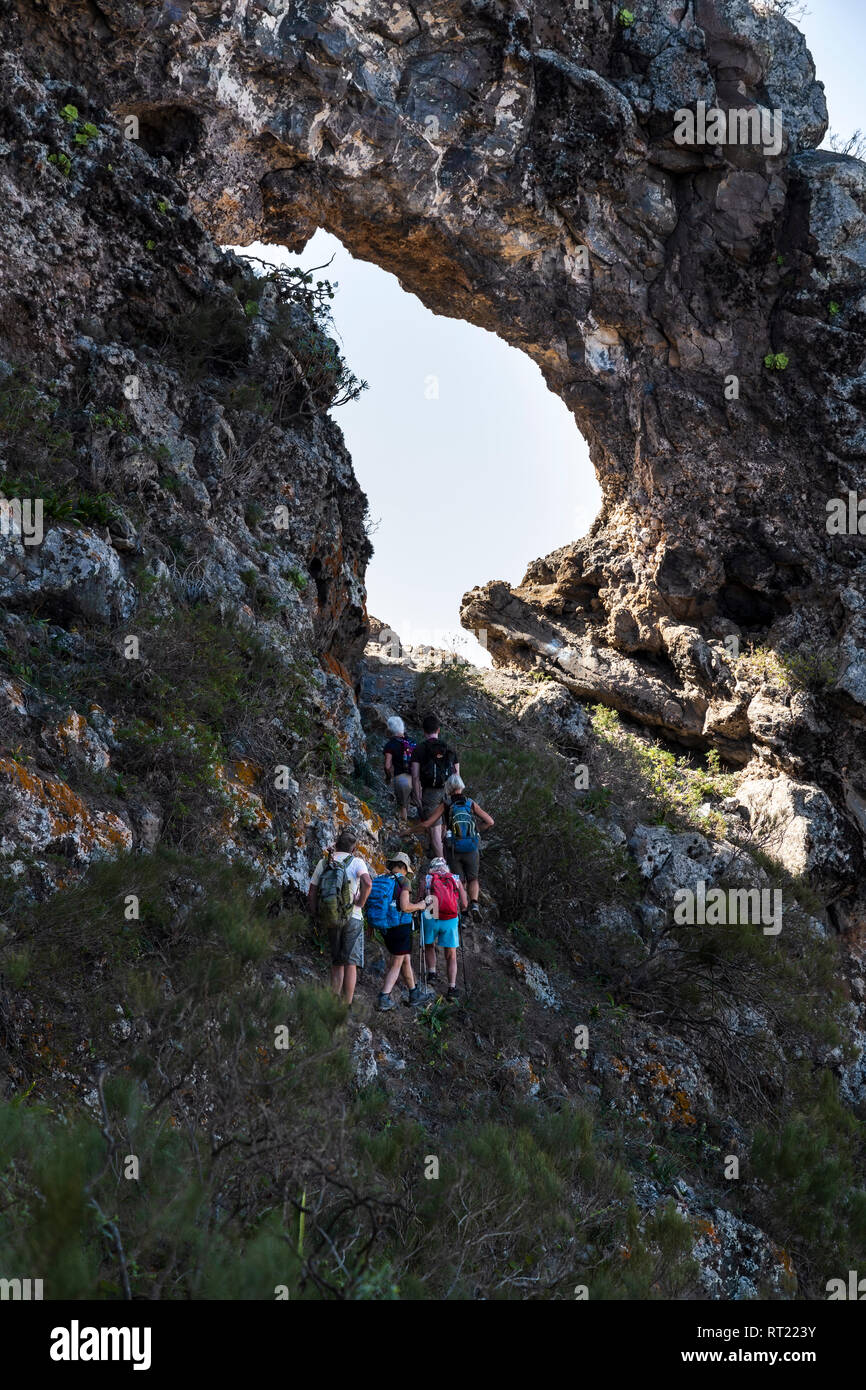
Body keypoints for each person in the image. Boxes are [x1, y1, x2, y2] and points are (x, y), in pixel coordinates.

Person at [307, 829, 371, 1007]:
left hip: (332, 915)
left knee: (337, 961)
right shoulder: (357, 862)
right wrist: (361, 902)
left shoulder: (325, 861)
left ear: (336, 843)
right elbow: (368, 882)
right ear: (354, 847)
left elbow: (312, 892)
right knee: (350, 962)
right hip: (353, 917)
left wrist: (315, 913)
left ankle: (332, 1001)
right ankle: (346, 1005)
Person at [365, 852, 433, 1011]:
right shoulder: (403, 881)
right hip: (400, 927)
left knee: (405, 959)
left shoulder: (380, 879)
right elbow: (405, 907)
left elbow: (373, 904)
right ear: (403, 867)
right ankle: (384, 997)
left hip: (385, 927)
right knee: (397, 963)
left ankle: (414, 993)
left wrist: (371, 926)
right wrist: (421, 905)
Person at [422, 774, 493, 919]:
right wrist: (475, 830)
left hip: (453, 848)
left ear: (448, 788)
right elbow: (490, 821)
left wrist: (408, 831)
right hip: (471, 847)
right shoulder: (470, 803)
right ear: (461, 786)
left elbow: (428, 823)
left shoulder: (446, 804)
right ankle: (474, 903)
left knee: (459, 881)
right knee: (473, 879)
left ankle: (464, 912)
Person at [410, 713, 459, 858]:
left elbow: (415, 776)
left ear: (424, 731)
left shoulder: (419, 749)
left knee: (435, 830)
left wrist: (417, 795)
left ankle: (442, 865)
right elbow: (457, 776)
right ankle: (442, 855)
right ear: (438, 730)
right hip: (448, 791)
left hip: (430, 792)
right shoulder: (449, 748)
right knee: (443, 825)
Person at [420, 856, 468, 1002]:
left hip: (431, 915)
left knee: (429, 945)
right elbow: (465, 904)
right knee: (451, 954)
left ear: (432, 867)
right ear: (446, 867)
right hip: (450, 919)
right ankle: (452, 988)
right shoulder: (455, 879)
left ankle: (432, 973)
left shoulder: (427, 879)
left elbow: (419, 900)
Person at [382, 716, 415, 834]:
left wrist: (388, 777)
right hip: (416, 778)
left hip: (401, 778)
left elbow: (387, 766)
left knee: (403, 807)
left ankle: (404, 834)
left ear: (391, 729)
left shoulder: (390, 745)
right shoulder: (412, 742)